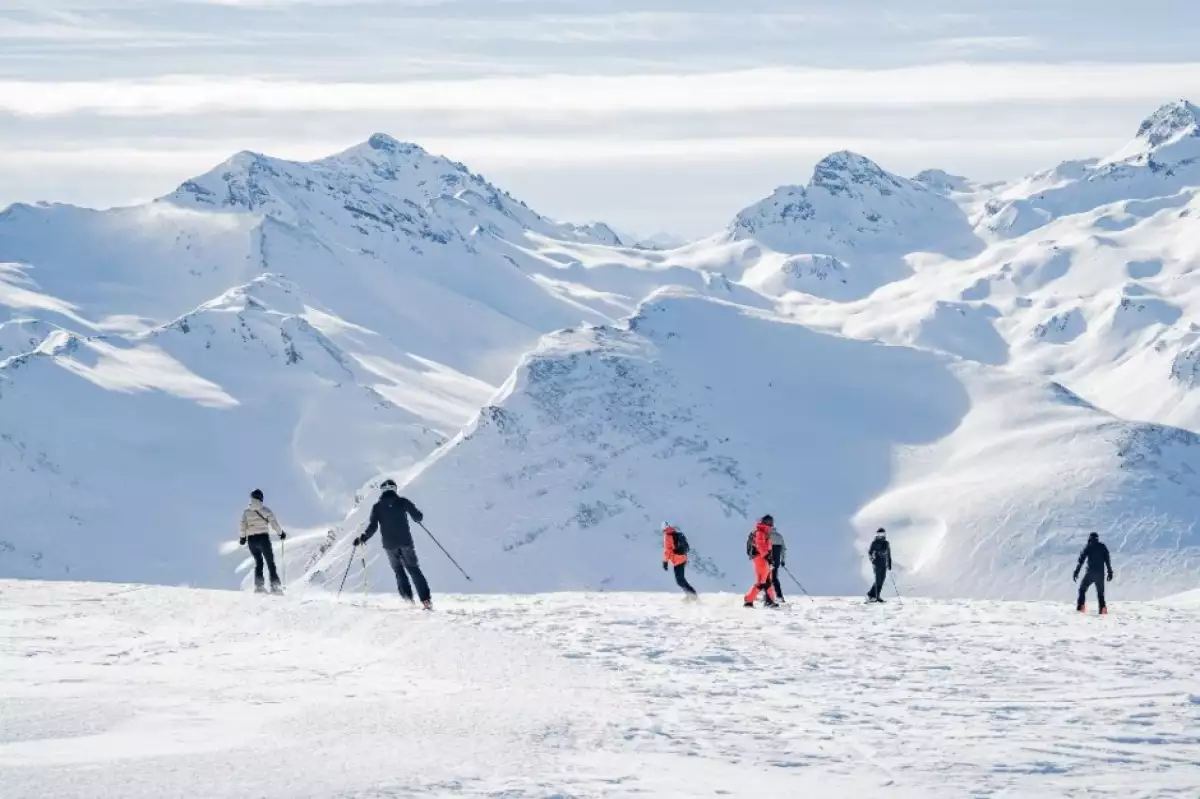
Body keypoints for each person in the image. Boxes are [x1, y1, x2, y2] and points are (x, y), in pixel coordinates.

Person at [352, 479, 432, 609]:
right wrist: (418, 515)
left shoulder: (377, 507)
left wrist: (363, 538)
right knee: (413, 569)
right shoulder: (403, 502)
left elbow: (373, 527)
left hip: (389, 545)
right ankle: (426, 600)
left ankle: (408, 601)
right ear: (394, 489)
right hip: (406, 542)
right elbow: (418, 517)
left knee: (399, 571)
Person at [239, 489, 287, 594]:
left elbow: (242, 526)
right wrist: (280, 533)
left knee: (259, 562)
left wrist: (242, 538)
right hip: (263, 539)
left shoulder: (246, 512)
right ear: (261, 498)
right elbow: (274, 524)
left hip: (251, 540)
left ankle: (259, 586)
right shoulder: (266, 511)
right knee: (270, 563)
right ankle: (275, 586)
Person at [744, 515, 779, 608]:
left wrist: (769, 557)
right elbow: (760, 545)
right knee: (762, 581)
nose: (771, 524)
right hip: (760, 559)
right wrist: (767, 556)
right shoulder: (760, 532)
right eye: (770, 522)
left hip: (763, 558)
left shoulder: (763, 532)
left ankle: (769, 601)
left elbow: (766, 546)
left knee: (767, 580)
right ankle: (749, 601)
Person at [1074, 532, 1114, 615]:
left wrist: (1076, 571)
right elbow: (1107, 560)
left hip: (1090, 573)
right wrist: (1110, 572)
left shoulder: (1089, 547)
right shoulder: (1102, 546)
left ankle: (1081, 608)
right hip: (1100, 574)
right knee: (1100, 594)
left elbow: (1081, 560)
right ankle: (1103, 610)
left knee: (1082, 589)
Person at [661, 523, 697, 599]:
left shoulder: (667, 536)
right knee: (681, 579)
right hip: (683, 558)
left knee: (679, 580)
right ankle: (690, 595)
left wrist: (665, 562)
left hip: (678, 561)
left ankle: (693, 595)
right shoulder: (675, 533)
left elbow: (667, 551)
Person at [866, 528, 891, 603]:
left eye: (882, 534)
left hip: (884, 564)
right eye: (879, 534)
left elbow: (888, 554)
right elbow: (870, 553)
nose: (881, 536)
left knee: (882, 580)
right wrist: (872, 560)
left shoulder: (886, 543)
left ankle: (874, 595)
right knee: (878, 580)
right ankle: (874, 596)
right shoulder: (875, 543)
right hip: (877, 564)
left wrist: (889, 563)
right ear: (877, 535)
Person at [769, 525, 787, 603]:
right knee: (774, 578)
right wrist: (783, 560)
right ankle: (779, 596)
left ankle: (768, 597)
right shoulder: (779, 536)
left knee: (766, 579)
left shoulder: (767, 536)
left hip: (768, 561)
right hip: (776, 562)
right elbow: (783, 549)